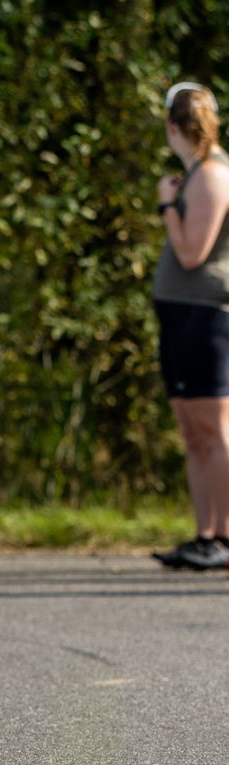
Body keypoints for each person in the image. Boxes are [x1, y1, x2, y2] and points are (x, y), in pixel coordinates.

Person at [151, 81, 229, 570]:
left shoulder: (213, 175)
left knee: (214, 431)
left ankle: (225, 537)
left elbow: (192, 252)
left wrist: (166, 205)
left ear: (173, 127)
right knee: (193, 433)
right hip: (181, 315)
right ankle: (205, 537)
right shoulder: (199, 174)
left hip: (205, 317)